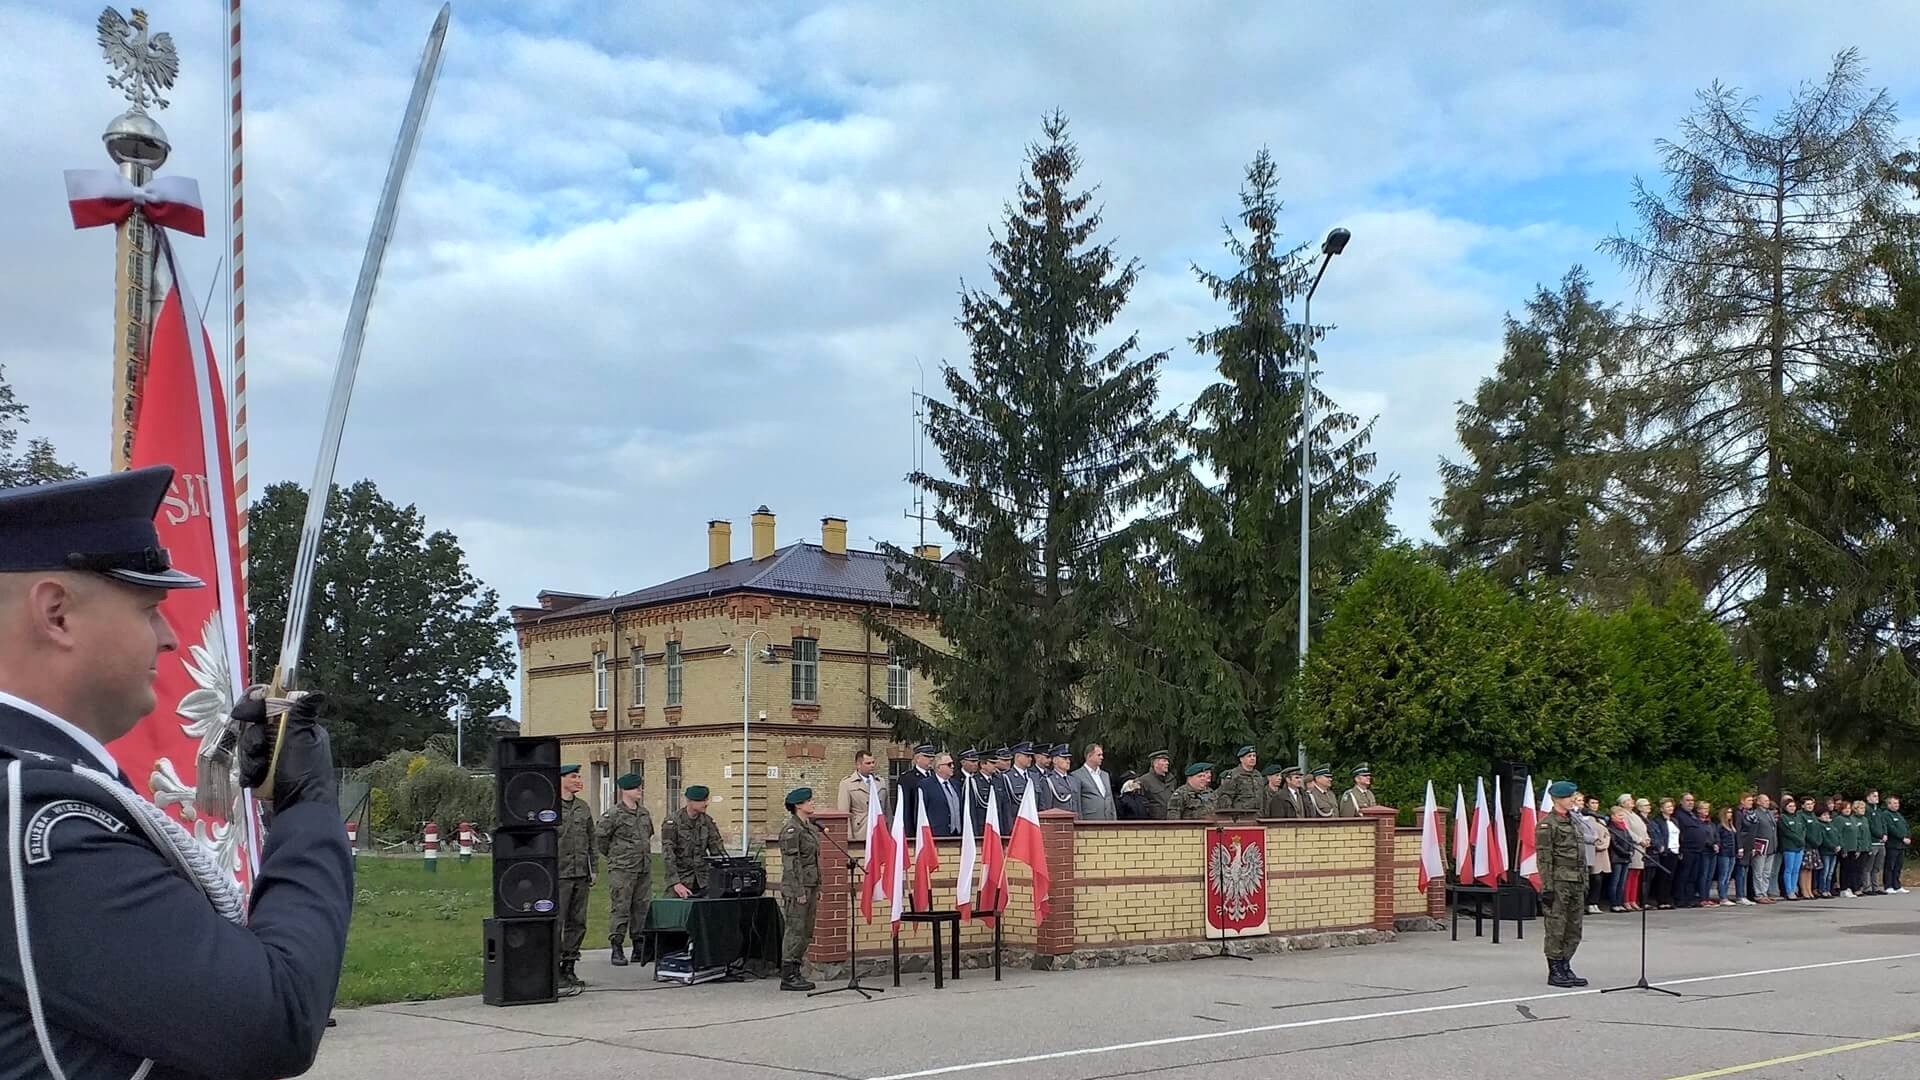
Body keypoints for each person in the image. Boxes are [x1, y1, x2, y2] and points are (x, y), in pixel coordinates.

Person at [0, 466, 352, 1078]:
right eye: (149, 608)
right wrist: (307, 809)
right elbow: (271, 1020)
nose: (167, 637)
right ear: (56, 614)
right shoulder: (34, 816)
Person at [1536, 781, 1589, 988]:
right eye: (1569, 797)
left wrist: (1584, 879)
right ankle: (1555, 969)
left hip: (1576, 881)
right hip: (1558, 882)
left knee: (1574, 927)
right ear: (1557, 799)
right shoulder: (1547, 825)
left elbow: (1581, 855)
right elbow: (1544, 858)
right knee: (1556, 927)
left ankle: (1566, 965)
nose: (1572, 800)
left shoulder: (1574, 821)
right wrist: (1547, 887)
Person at [599, 772, 654, 967]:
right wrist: (616, 857)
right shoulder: (613, 814)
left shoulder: (644, 813)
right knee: (621, 907)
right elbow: (601, 840)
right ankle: (617, 946)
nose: (639, 790)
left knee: (642, 907)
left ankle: (639, 946)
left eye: (640, 787)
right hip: (622, 869)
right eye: (635, 788)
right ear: (624, 790)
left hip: (642, 867)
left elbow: (648, 835)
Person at [556, 763, 597, 990]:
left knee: (578, 923)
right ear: (561, 780)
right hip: (560, 874)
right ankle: (554, 967)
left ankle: (569, 966)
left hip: (581, 873)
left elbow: (592, 840)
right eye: (574, 776)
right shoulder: (551, 807)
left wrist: (594, 870)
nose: (579, 780)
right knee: (557, 922)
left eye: (579, 776)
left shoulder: (583, 807)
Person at [776, 787, 820, 991]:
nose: (812, 803)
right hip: (798, 888)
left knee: (806, 930)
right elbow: (791, 864)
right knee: (795, 930)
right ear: (798, 806)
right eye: (808, 801)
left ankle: (796, 968)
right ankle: (788, 974)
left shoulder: (809, 827)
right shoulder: (792, 830)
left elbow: (815, 860)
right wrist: (799, 891)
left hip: (811, 884)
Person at [662, 784, 727, 896]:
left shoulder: (707, 822)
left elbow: (718, 851)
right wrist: (675, 883)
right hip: (682, 880)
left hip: (703, 880)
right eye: (702, 800)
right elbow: (668, 855)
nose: (706, 804)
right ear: (690, 801)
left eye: (706, 800)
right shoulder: (673, 822)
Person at [835, 750, 888, 840]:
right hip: (861, 831)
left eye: (873, 762)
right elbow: (844, 813)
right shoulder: (847, 783)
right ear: (858, 765)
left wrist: (889, 832)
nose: (872, 765)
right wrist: (848, 838)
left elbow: (887, 810)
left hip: (880, 830)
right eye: (868, 763)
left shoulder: (880, 782)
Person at [1647, 798, 1680, 909]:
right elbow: (1659, 835)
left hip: (1675, 850)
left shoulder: (1674, 820)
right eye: (1667, 807)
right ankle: (1661, 900)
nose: (1670, 808)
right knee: (1662, 877)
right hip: (1665, 851)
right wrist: (1661, 847)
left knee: (1671, 877)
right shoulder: (1658, 821)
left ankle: (1667, 898)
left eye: (1671, 806)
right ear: (1662, 809)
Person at [1215, 746, 1264, 816]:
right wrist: (1229, 815)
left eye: (1254, 756)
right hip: (1241, 816)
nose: (1252, 758)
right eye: (1249, 756)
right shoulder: (1234, 775)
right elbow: (1226, 796)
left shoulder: (1258, 775)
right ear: (1241, 759)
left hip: (1258, 815)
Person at [1072, 743, 1116, 820]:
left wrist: (1114, 818)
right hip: (1090, 821)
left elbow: (1110, 799)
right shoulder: (1077, 775)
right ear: (1089, 756)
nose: (1102, 757)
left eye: (1102, 755)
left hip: (1108, 821)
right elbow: (1077, 802)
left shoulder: (1105, 775)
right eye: (1099, 755)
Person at [924, 752, 963, 837]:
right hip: (937, 834)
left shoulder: (956, 784)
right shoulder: (926, 785)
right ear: (939, 767)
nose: (952, 767)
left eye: (953, 763)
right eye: (949, 764)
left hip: (958, 834)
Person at [1751, 794, 1779, 904]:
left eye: (1768, 800)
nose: (1768, 802)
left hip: (1771, 845)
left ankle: (1765, 892)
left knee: (1767, 872)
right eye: (1765, 800)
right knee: (1759, 871)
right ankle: (1759, 894)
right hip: (1761, 846)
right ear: (1758, 802)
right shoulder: (1756, 813)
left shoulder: (1770, 813)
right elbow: (1753, 830)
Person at [1778, 794, 1806, 901]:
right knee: (1788, 869)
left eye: (1793, 806)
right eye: (1790, 806)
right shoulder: (1783, 818)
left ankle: (1794, 889)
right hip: (1789, 846)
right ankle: (1789, 890)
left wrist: (1802, 839)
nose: (1792, 808)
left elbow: (1803, 829)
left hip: (1799, 847)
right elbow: (1787, 832)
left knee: (1796, 869)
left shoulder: (1798, 817)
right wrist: (1798, 839)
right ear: (1785, 807)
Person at [1040, 744, 1080, 815]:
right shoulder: (1048, 780)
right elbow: (1047, 808)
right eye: (1064, 758)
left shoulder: (1073, 780)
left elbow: (1078, 806)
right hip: (1058, 822)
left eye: (1068, 758)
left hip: (1074, 821)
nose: (1068, 761)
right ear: (1055, 760)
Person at [1137, 750, 1175, 820]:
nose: (1167, 763)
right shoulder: (1144, 780)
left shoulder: (1172, 779)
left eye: (1167, 761)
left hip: (1171, 821)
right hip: (1154, 823)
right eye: (1164, 761)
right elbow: (1140, 805)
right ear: (1155, 763)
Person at [1884, 794, 1909, 894]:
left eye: (1897, 803)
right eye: (1894, 803)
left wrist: (1908, 836)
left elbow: (1906, 827)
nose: (1896, 805)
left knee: (1898, 866)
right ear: (1889, 804)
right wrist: (1902, 837)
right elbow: (1891, 829)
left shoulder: (1899, 815)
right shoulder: (1886, 814)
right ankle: (1888, 885)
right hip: (1892, 844)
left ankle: (1897, 885)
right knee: (1890, 866)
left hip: (1901, 845)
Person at [1866, 789, 1889, 896]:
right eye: (1874, 796)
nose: (1876, 798)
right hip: (1873, 842)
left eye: (1877, 796)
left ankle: (1876, 886)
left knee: (1877, 866)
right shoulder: (1867, 810)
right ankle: (1867, 887)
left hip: (1881, 843)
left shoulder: (1879, 810)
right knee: (1868, 866)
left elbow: (1884, 823)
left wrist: (1885, 834)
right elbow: (1870, 826)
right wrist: (1879, 835)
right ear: (1868, 797)